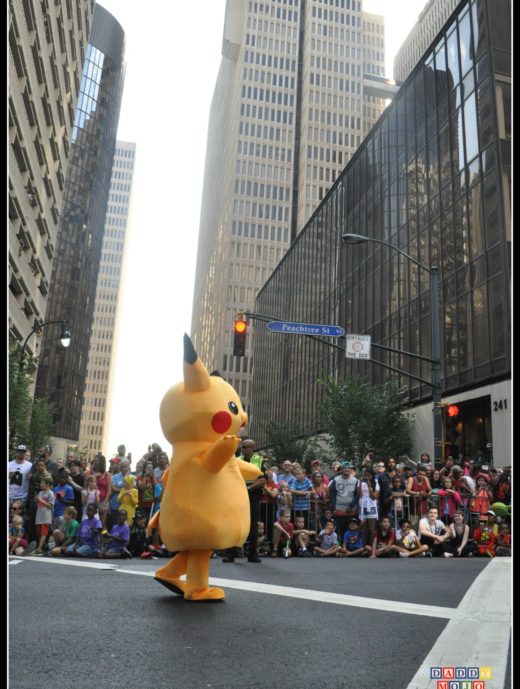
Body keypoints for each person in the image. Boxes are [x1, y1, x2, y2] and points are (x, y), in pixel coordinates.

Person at [222, 439, 266, 563]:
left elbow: (263, 480)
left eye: (245, 446)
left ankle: (252, 554)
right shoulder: (236, 461)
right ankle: (230, 554)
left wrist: (249, 488)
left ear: (252, 448)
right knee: (234, 524)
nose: (242, 448)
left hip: (253, 495)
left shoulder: (260, 460)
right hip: (238, 495)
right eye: (242, 446)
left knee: (253, 525)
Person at [328, 462, 360, 544]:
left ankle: (350, 547)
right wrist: (333, 508)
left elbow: (357, 495)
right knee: (340, 529)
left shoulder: (355, 480)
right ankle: (341, 547)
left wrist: (352, 505)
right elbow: (333, 494)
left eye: (348, 468)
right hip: (339, 508)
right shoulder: (335, 480)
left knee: (351, 528)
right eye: (345, 468)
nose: (346, 469)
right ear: (341, 470)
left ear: (350, 470)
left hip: (351, 509)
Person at [89, 453, 112, 529]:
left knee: (102, 524)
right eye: (94, 461)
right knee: (92, 522)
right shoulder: (90, 472)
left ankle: (102, 540)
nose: (95, 463)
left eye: (97, 461)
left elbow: (109, 490)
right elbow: (86, 485)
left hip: (103, 501)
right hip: (92, 500)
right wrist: (94, 476)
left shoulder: (106, 474)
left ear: (101, 463)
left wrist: (104, 504)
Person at [358, 466, 380, 547]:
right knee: (364, 529)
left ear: (372, 475)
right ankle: (364, 548)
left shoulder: (376, 482)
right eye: (365, 475)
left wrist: (370, 487)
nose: (367, 477)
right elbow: (359, 495)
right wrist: (360, 483)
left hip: (371, 506)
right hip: (362, 506)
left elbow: (375, 497)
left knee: (371, 529)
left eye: (369, 475)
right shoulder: (360, 482)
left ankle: (372, 547)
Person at [34, 476, 55, 555]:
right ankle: (41, 547)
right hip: (39, 515)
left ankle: (39, 548)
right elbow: (39, 503)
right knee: (39, 533)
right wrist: (37, 500)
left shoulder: (50, 493)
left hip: (46, 516)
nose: (40, 484)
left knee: (43, 533)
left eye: (42, 483)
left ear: (48, 484)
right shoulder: (40, 493)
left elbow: (51, 506)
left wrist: (41, 500)